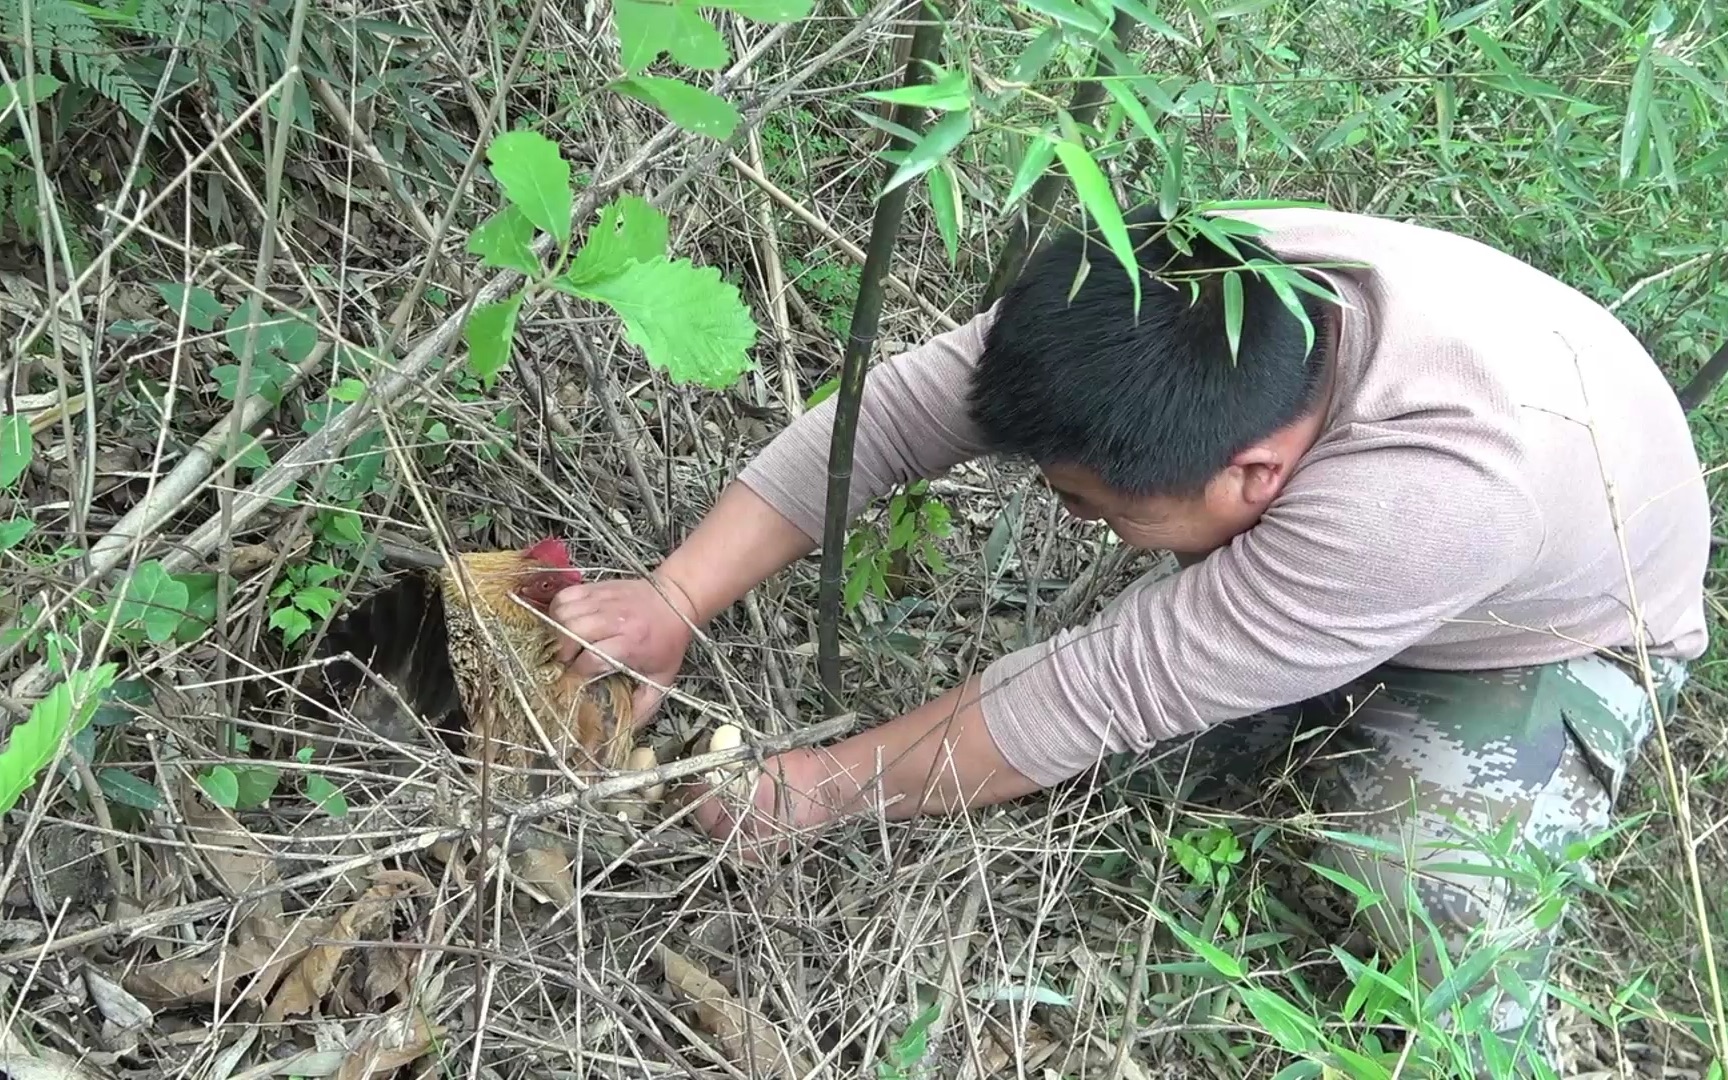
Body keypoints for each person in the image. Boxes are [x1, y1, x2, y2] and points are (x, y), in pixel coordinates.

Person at [550, 204, 1710, 1071]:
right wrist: (672, 599)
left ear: (1256, 476)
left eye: (1102, 513)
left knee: (1416, 880)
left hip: (1553, 630)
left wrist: (808, 790)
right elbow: (895, 414)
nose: (1093, 536)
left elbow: (1097, 689)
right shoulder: (1160, 290)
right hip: (1432, 518)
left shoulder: (1428, 501)